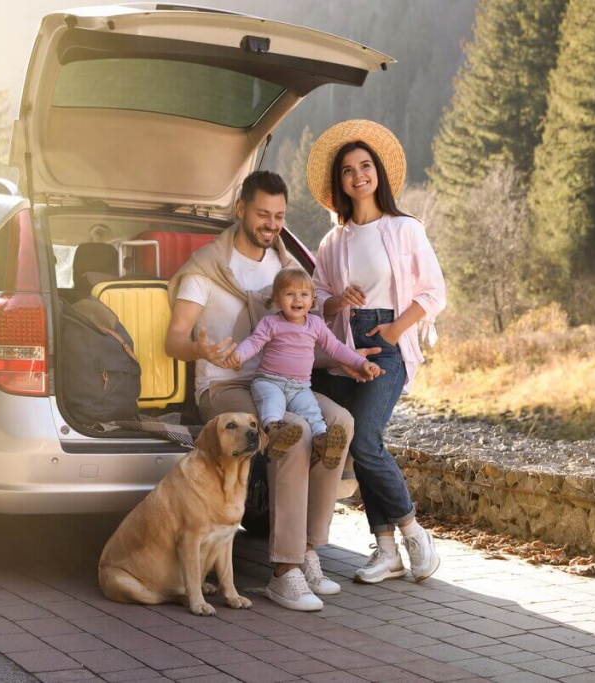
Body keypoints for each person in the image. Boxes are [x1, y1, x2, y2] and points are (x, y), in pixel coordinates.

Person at [164, 171, 378, 612]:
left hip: (283, 382)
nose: (271, 224)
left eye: (279, 216)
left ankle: (309, 550)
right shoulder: (206, 268)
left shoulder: (285, 272)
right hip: (225, 387)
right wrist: (201, 349)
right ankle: (283, 571)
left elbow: (298, 344)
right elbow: (174, 340)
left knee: (339, 422)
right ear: (240, 209)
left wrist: (345, 362)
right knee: (295, 432)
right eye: (263, 213)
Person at [307, 120, 447, 584]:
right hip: (346, 347)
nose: (358, 175)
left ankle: (413, 533)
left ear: (378, 174)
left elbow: (433, 293)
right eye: (348, 170)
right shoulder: (333, 240)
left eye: (365, 166)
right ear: (339, 183)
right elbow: (317, 298)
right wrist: (336, 302)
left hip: (386, 343)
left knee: (365, 441)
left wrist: (391, 332)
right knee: (359, 444)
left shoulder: (405, 229)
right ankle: (385, 549)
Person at [221, 267, 381, 469]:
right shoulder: (271, 323)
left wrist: (361, 363)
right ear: (278, 300)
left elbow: (337, 348)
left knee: (313, 414)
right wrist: (239, 355)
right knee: (272, 405)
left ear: (312, 300)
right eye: (289, 294)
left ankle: (323, 442)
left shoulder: (316, 324)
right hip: (269, 381)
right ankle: (276, 433)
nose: (297, 300)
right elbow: (254, 342)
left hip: (300, 388)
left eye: (304, 295)